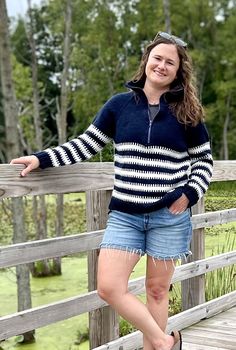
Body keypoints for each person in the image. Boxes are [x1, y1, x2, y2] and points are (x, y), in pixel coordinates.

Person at [11, 31, 213, 350]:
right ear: (147, 61)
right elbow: (85, 144)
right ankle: (165, 342)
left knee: (158, 291)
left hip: (169, 217)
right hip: (125, 216)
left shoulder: (187, 113)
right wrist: (41, 158)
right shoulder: (119, 106)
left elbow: (203, 161)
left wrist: (189, 194)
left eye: (169, 62)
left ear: (178, 72)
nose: (161, 65)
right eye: (157, 58)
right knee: (108, 287)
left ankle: (156, 346)